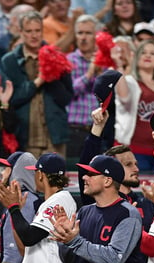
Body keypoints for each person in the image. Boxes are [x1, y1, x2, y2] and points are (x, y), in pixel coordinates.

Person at [0, 10, 74, 157]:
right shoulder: (9, 61)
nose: (34, 35)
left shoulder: (57, 57)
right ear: (21, 32)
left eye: (37, 30)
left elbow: (66, 98)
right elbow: (12, 99)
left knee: (56, 180)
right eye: (29, 31)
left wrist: (52, 77)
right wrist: (38, 81)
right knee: (27, 180)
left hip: (54, 138)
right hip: (25, 139)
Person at [114, 39, 154, 172]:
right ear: (136, 58)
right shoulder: (129, 81)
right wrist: (119, 65)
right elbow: (124, 98)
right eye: (143, 52)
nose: (148, 55)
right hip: (132, 150)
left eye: (153, 53)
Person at [66, 14, 101, 160]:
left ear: (96, 36)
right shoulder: (68, 60)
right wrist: (90, 73)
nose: (83, 37)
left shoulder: (104, 61)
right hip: (74, 131)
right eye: (80, 33)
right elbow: (70, 91)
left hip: (99, 129)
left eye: (88, 33)